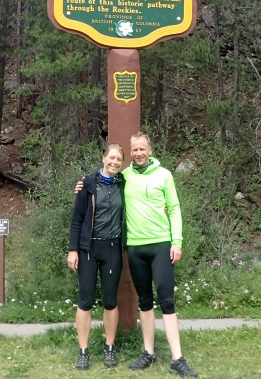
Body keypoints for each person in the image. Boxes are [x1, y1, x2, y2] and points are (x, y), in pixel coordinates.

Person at [76, 132, 198, 377]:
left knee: (167, 301)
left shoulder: (164, 175)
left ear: (150, 150)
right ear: (130, 153)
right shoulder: (124, 177)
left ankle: (177, 358)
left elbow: (173, 208)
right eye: (135, 150)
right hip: (135, 246)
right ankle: (148, 353)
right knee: (145, 301)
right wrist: (82, 185)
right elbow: (99, 182)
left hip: (162, 244)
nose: (139, 153)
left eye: (143, 149)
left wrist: (177, 242)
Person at [67, 143, 126, 370]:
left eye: (118, 160)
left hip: (112, 249)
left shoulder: (124, 184)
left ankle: (109, 348)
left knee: (110, 301)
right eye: (111, 157)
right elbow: (76, 220)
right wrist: (73, 250)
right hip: (88, 249)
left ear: (122, 163)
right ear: (103, 158)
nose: (114, 162)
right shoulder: (88, 184)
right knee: (85, 300)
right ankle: (83, 351)